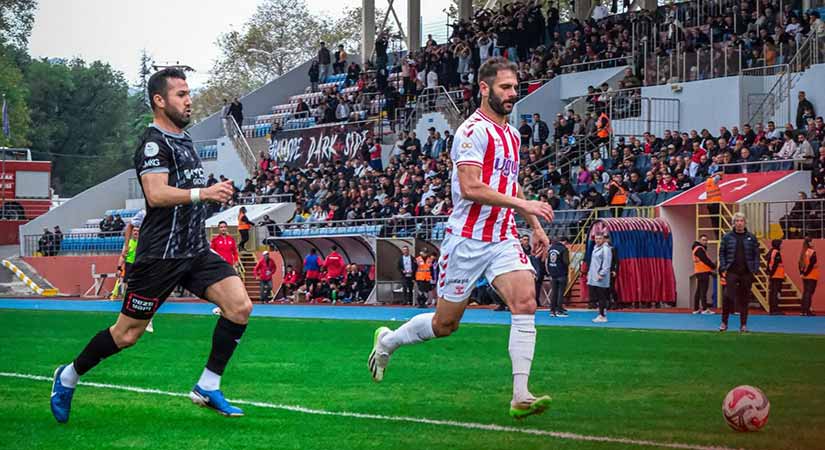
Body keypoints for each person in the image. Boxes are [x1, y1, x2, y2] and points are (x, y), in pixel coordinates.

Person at [50, 68, 249, 422]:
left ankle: (208, 385)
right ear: (159, 101)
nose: (189, 101)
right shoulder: (154, 143)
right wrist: (202, 193)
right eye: (181, 94)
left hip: (194, 250)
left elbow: (185, 196)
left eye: (189, 93)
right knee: (126, 335)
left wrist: (209, 196)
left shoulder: (186, 141)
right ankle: (68, 375)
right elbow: (156, 195)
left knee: (240, 307)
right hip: (160, 256)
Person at [368, 57, 555, 419]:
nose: (512, 94)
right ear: (484, 88)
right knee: (445, 325)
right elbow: (470, 187)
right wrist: (523, 203)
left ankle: (520, 395)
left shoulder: (512, 135)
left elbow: (509, 183)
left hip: (501, 237)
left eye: (515, 87)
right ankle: (388, 341)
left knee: (526, 302)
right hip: (466, 241)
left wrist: (534, 224)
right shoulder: (471, 132)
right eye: (505, 87)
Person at [718, 212, 759, 332]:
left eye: (741, 221)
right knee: (727, 297)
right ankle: (724, 323)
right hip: (731, 272)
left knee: (744, 299)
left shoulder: (751, 237)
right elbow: (722, 253)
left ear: (745, 223)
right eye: (737, 221)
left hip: (746, 272)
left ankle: (743, 325)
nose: (739, 223)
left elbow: (756, 254)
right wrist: (724, 267)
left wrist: (755, 269)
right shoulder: (727, 237)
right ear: (733, 223)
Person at [588, 232, 612, 323]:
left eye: (600, 238)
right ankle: (602, 312)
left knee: (601, 297)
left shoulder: (606, 249)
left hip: (601, 277)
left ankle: (602, 315)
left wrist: (601, 274)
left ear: (604, 239)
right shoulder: (595, 247)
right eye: (596, 238)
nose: (598, 240)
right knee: (597, 297)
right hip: (594, 276)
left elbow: (606, 263)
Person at [545, 236, 569, 318]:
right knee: (560, 293)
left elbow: (547, 261)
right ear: (565, 242)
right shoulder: (563, 249)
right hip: (561, 273)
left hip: (553, 273)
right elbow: (566, 262)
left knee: (554, 292)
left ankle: (552, 310)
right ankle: (559, 310)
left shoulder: (551, 249)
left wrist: (549, 271)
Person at [691, 234, 716, 314]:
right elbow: (705, 260)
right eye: (703, 240)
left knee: (699, 290)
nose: (705, 242)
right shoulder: (699, 249)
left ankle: (696, 308)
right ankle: (704, 309)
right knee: (703, 291)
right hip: (703, 272)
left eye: (706, 240)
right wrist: (713, 266)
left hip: (699, 271)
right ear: (699, 240)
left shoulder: (697, 248)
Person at [799, 236, 819, 316]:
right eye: (812, 241)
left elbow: (799, 263)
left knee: (805, 293)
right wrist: (806, 273)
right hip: (811, 275)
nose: (813, 243)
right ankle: (807, 311)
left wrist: (802, 273)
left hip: (805, 277)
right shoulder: (812, 252)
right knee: (809, 293)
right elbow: (811, 264)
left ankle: (803, 311)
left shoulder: (803, 252)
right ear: (810, 242)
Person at [766, 239, 785, 315]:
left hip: (775, 275)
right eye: (781, 244)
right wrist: (772, 274)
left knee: (773, 292)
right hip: (776, 276)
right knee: (775, 293)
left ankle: (773, 309)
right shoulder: (776, 252)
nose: (782, 245)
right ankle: (774, 309)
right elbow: (774, 265)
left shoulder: (772, 251)